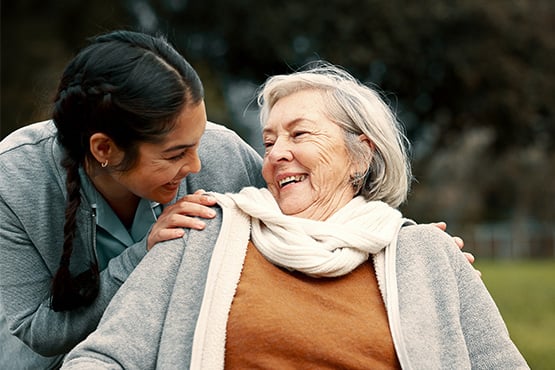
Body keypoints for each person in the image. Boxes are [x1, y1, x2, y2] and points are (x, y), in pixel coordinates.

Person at [61, 63, 527, 369]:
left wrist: (436, 260)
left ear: (360, 154)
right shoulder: (203, 232)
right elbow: (102, 358)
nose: (277, 154)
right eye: (268, 142)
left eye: (299, 133)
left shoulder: (427, 255)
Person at [0, 30, 266, 369]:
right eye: (175, 155)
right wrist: (144, 254)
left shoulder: (222, 153)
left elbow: (302, 212)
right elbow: (38, 331)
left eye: (197, 141)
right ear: (104, 149)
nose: (196, 165)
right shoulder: (14, 177)